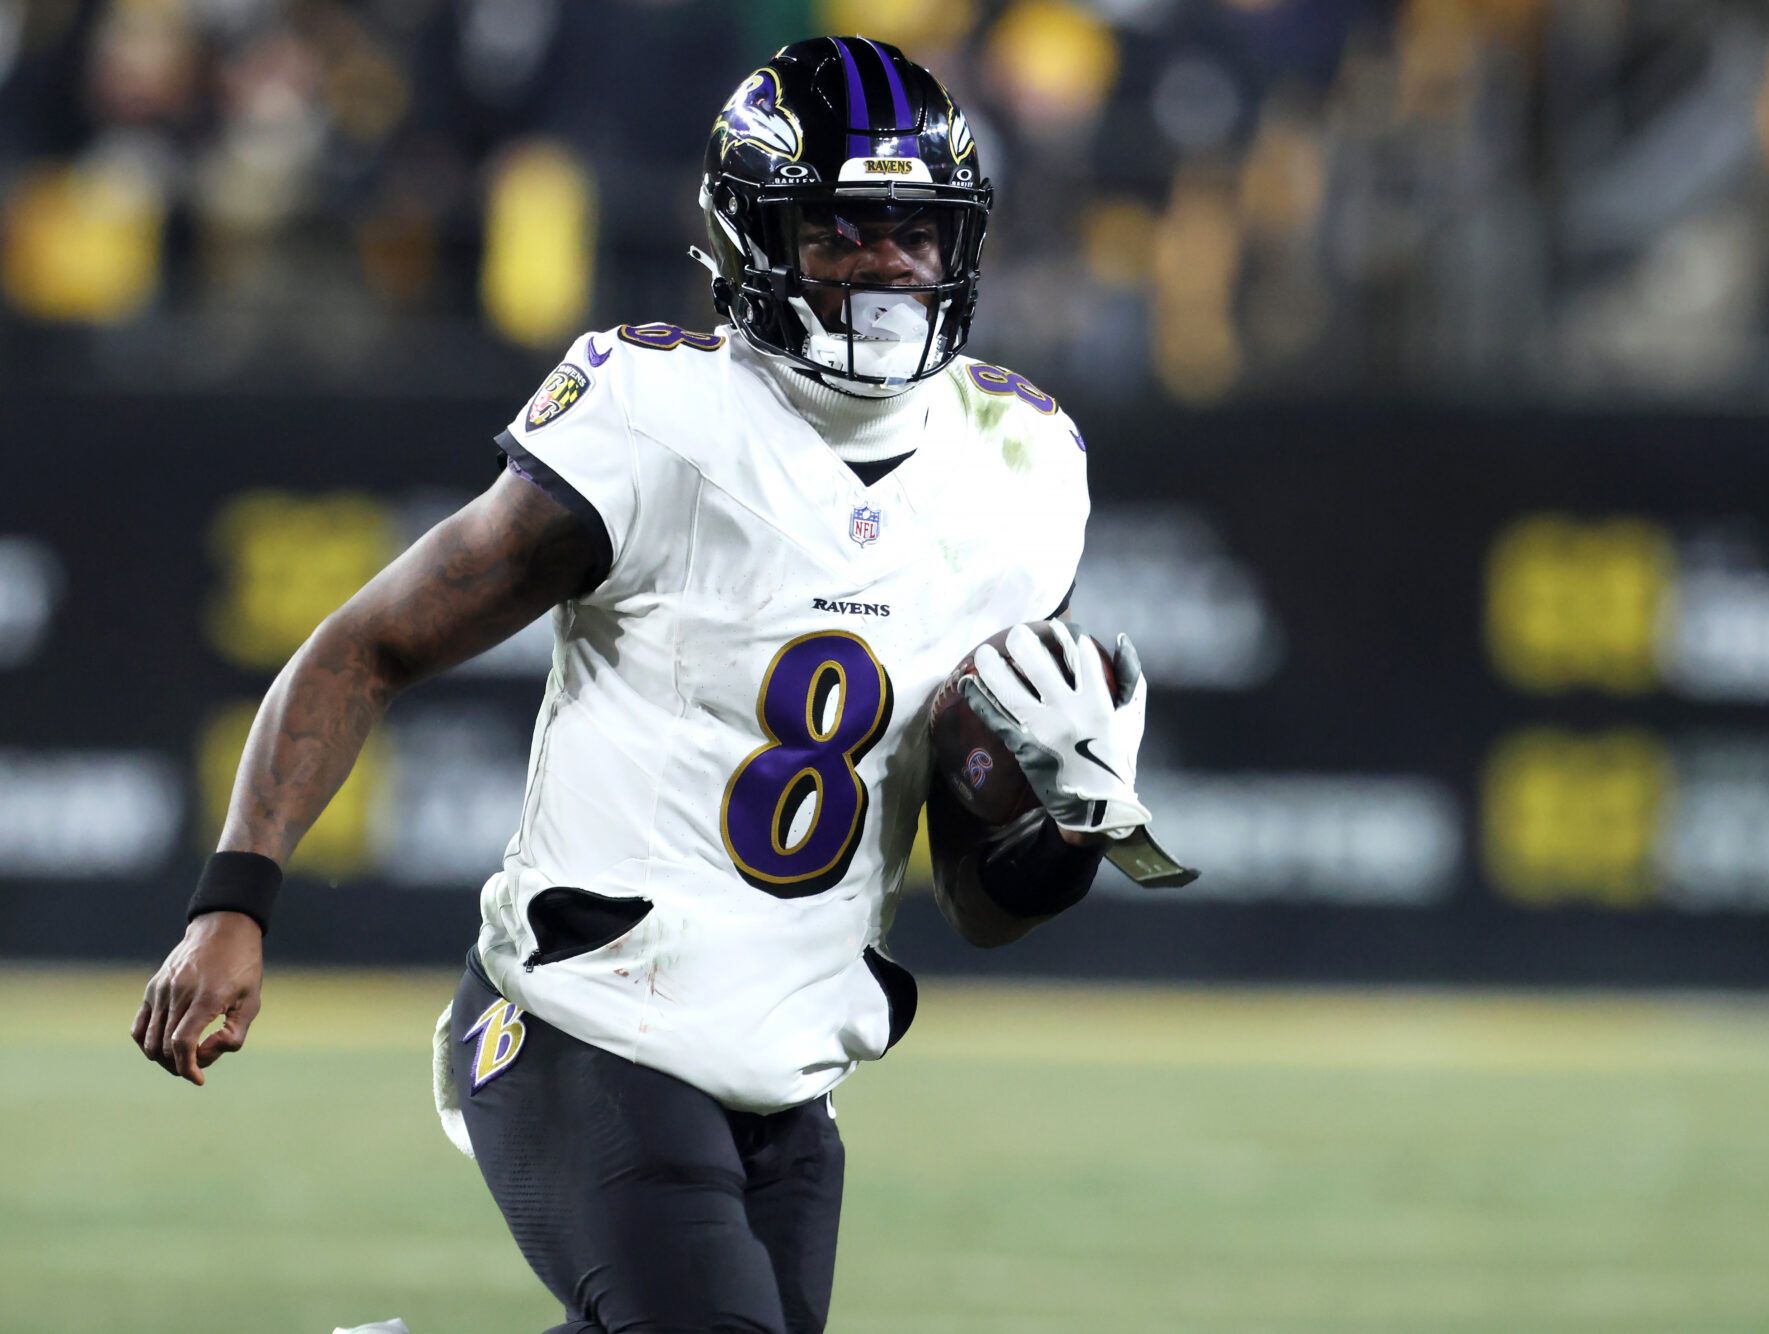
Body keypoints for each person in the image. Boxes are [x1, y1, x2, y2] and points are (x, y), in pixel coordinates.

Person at [132, 37, 1161, 1334]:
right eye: (845, 228)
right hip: (585, 1016)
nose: (891, 266)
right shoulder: (658, 418)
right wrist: (236, 898)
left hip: (788, 1074)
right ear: (753, 232)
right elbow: (367, 643)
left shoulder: (1023, 470)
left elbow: (978, 892)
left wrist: (1056, 824)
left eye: (918, 231)